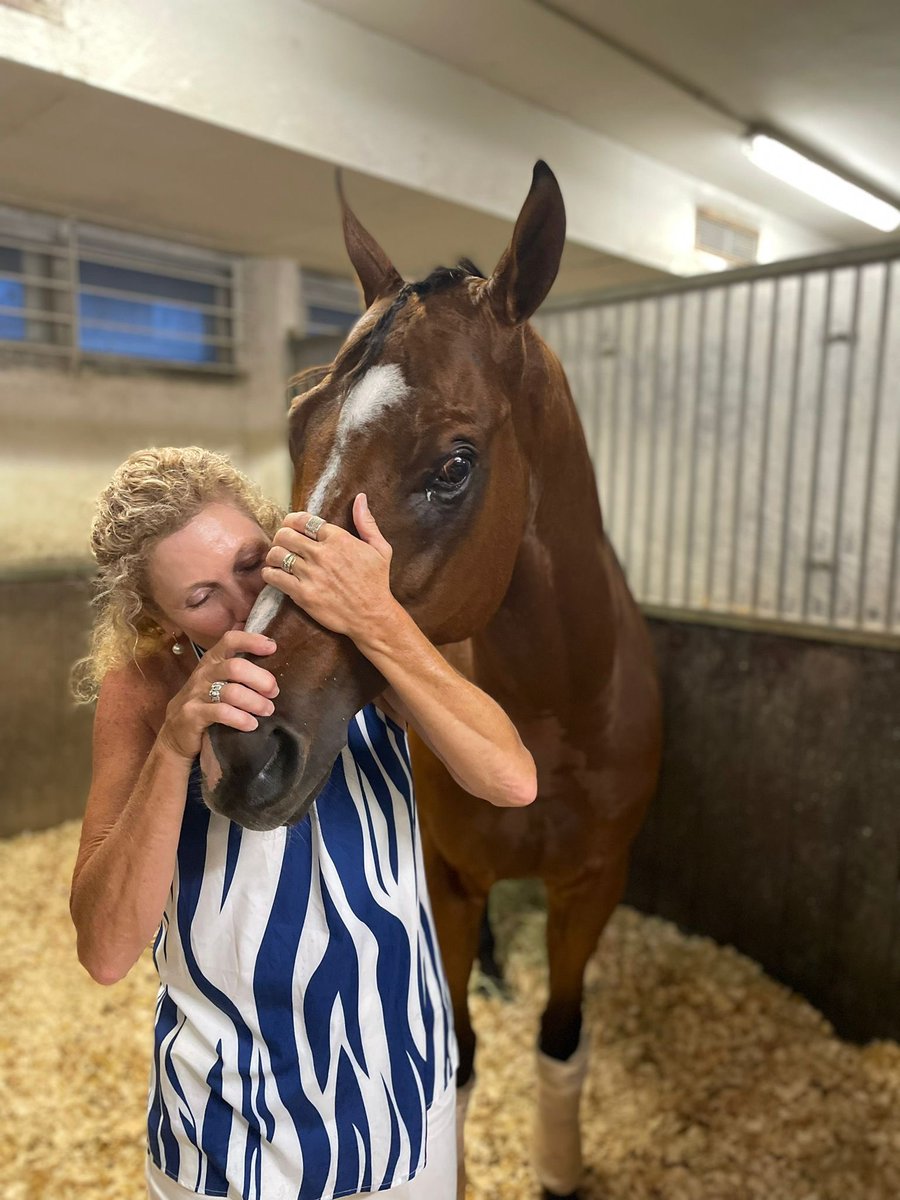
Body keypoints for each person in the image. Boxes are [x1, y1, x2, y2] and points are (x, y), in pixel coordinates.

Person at [70, 446, 537, 1200]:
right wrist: (174, 746)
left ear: (277, 537)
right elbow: (104, 950)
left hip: (406, 1101)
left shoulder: (354, 640)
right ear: (156, 621)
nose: (242, 605)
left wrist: (379, 618)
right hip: (233, 1139)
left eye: (250, 565)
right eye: (200, 597)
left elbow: (510, 779)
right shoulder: (145, 689)